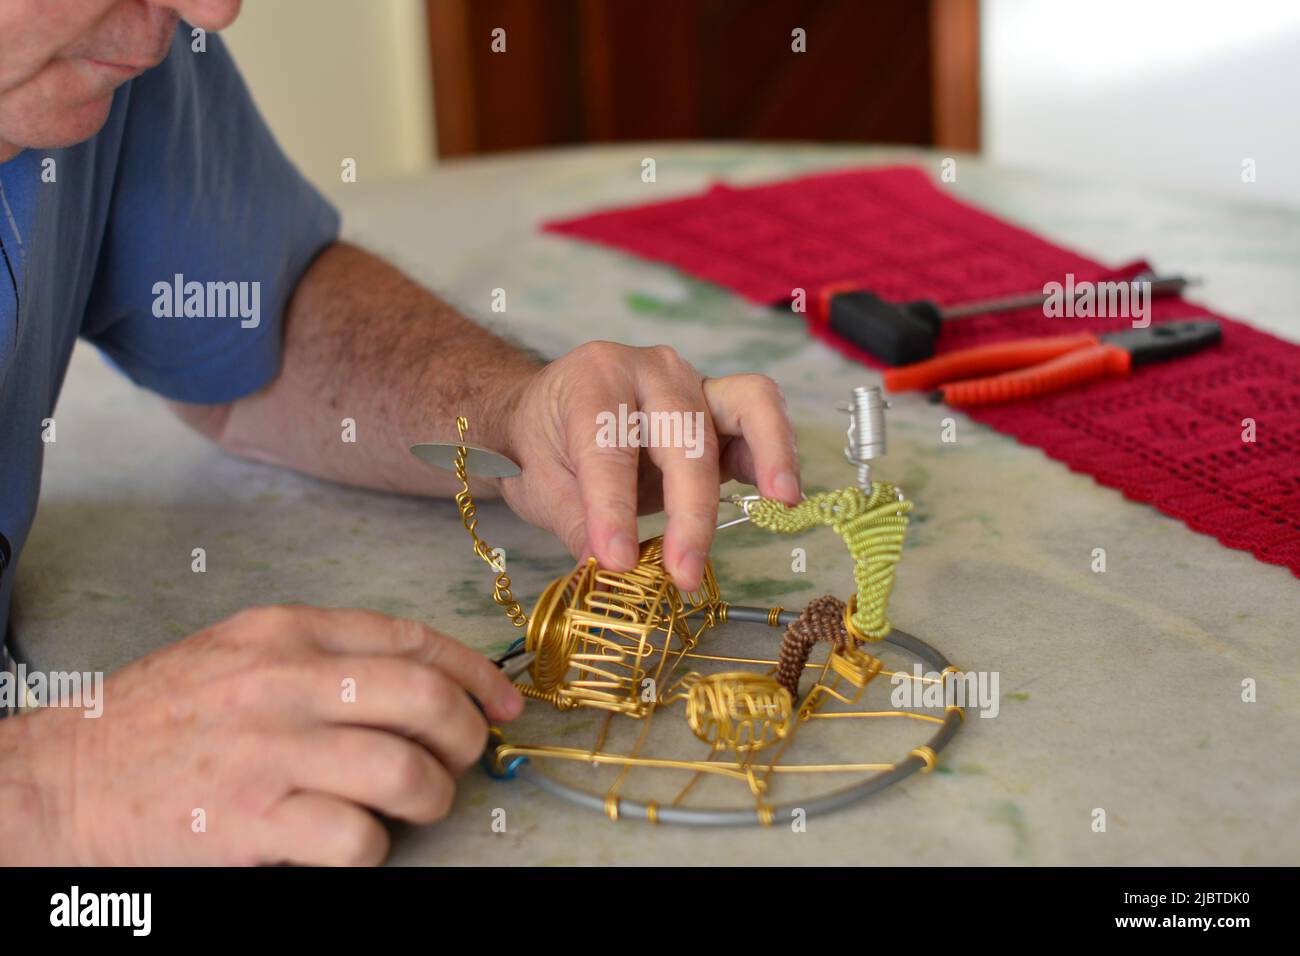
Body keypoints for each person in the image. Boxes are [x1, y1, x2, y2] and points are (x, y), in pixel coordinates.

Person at [0, 1, 801, 864]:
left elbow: (261, 337)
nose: (214, 9)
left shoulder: (120, 47)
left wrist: (510, 414)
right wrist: (55, 790)